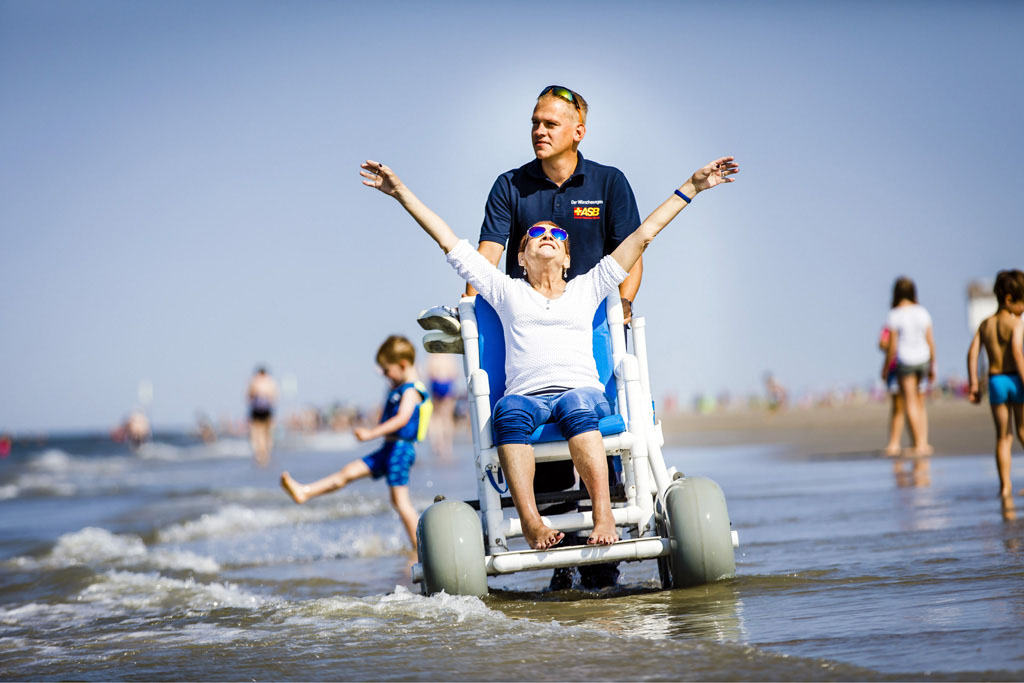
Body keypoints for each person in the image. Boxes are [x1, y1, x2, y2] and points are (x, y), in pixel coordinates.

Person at [359, 151, 738, 550]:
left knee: (576, 405)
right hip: (528, 398)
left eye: (557, 236)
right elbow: (447, 240)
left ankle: (603, 513)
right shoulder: (505, 292)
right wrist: (400, 193)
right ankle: (531, 523)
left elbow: (643, 235)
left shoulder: (588, 287)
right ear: (519, 258)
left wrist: (693, 187)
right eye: (535, 235)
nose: (546, 235)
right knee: (507, 411)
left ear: (568, 257)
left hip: (582, 396)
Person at [281, 335, 432, 551]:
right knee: (348, 472)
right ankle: (305, 491)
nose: (385, 376)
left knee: (401, 502)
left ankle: (422, 550)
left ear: (402, 365)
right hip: (388, 450)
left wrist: (371, 433)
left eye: (387, 370)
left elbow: (402, 419)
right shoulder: (399, 388)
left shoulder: (411, 390)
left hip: (400, 450)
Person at [967, 269, 1024, 499]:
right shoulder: (1016, 322)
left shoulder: (985, 324)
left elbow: (972, 353)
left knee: (1003, 437)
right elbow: (1017, 353)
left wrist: (973, 384)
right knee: (1022, 431)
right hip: (1015, 378)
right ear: (1009, 299)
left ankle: (1005, 486)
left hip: (995, 381)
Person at [881, 277, 936, 456]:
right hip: (923, 358)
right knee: (920, 403)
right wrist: (933, 364)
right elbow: (930, 341)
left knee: (910, 402)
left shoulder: (895, 314)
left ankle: (918, 444)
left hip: (906, 360)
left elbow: (892, 346)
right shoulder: (922, 312)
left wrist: (886, 366)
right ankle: (924, 442)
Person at [426, 353, 459, 462]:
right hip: (447, 383)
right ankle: (447, 445)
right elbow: (455, 373)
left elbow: (429, 373)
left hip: (436, 383)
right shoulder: (449, 356)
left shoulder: (432, 357)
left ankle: (437, 444)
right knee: (447, 417)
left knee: (436, 417)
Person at [879, 326, 906, 456]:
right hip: (909, 365)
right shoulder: (890, 325)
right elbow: (882, 344)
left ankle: (895, 443)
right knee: (905, 406)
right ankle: (916, 442)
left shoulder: (892, 323)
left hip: (898, 367)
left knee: (899, 407)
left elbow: (883, 344)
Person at [247, 366, 279, 467]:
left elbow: (249, 396)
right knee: (267, 433)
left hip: (256, 410)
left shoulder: (254, 381)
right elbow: (274, 397)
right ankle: (265, 454)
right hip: (267, 410)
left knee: (257, 433)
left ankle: (260, 455)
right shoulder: (271, 382)